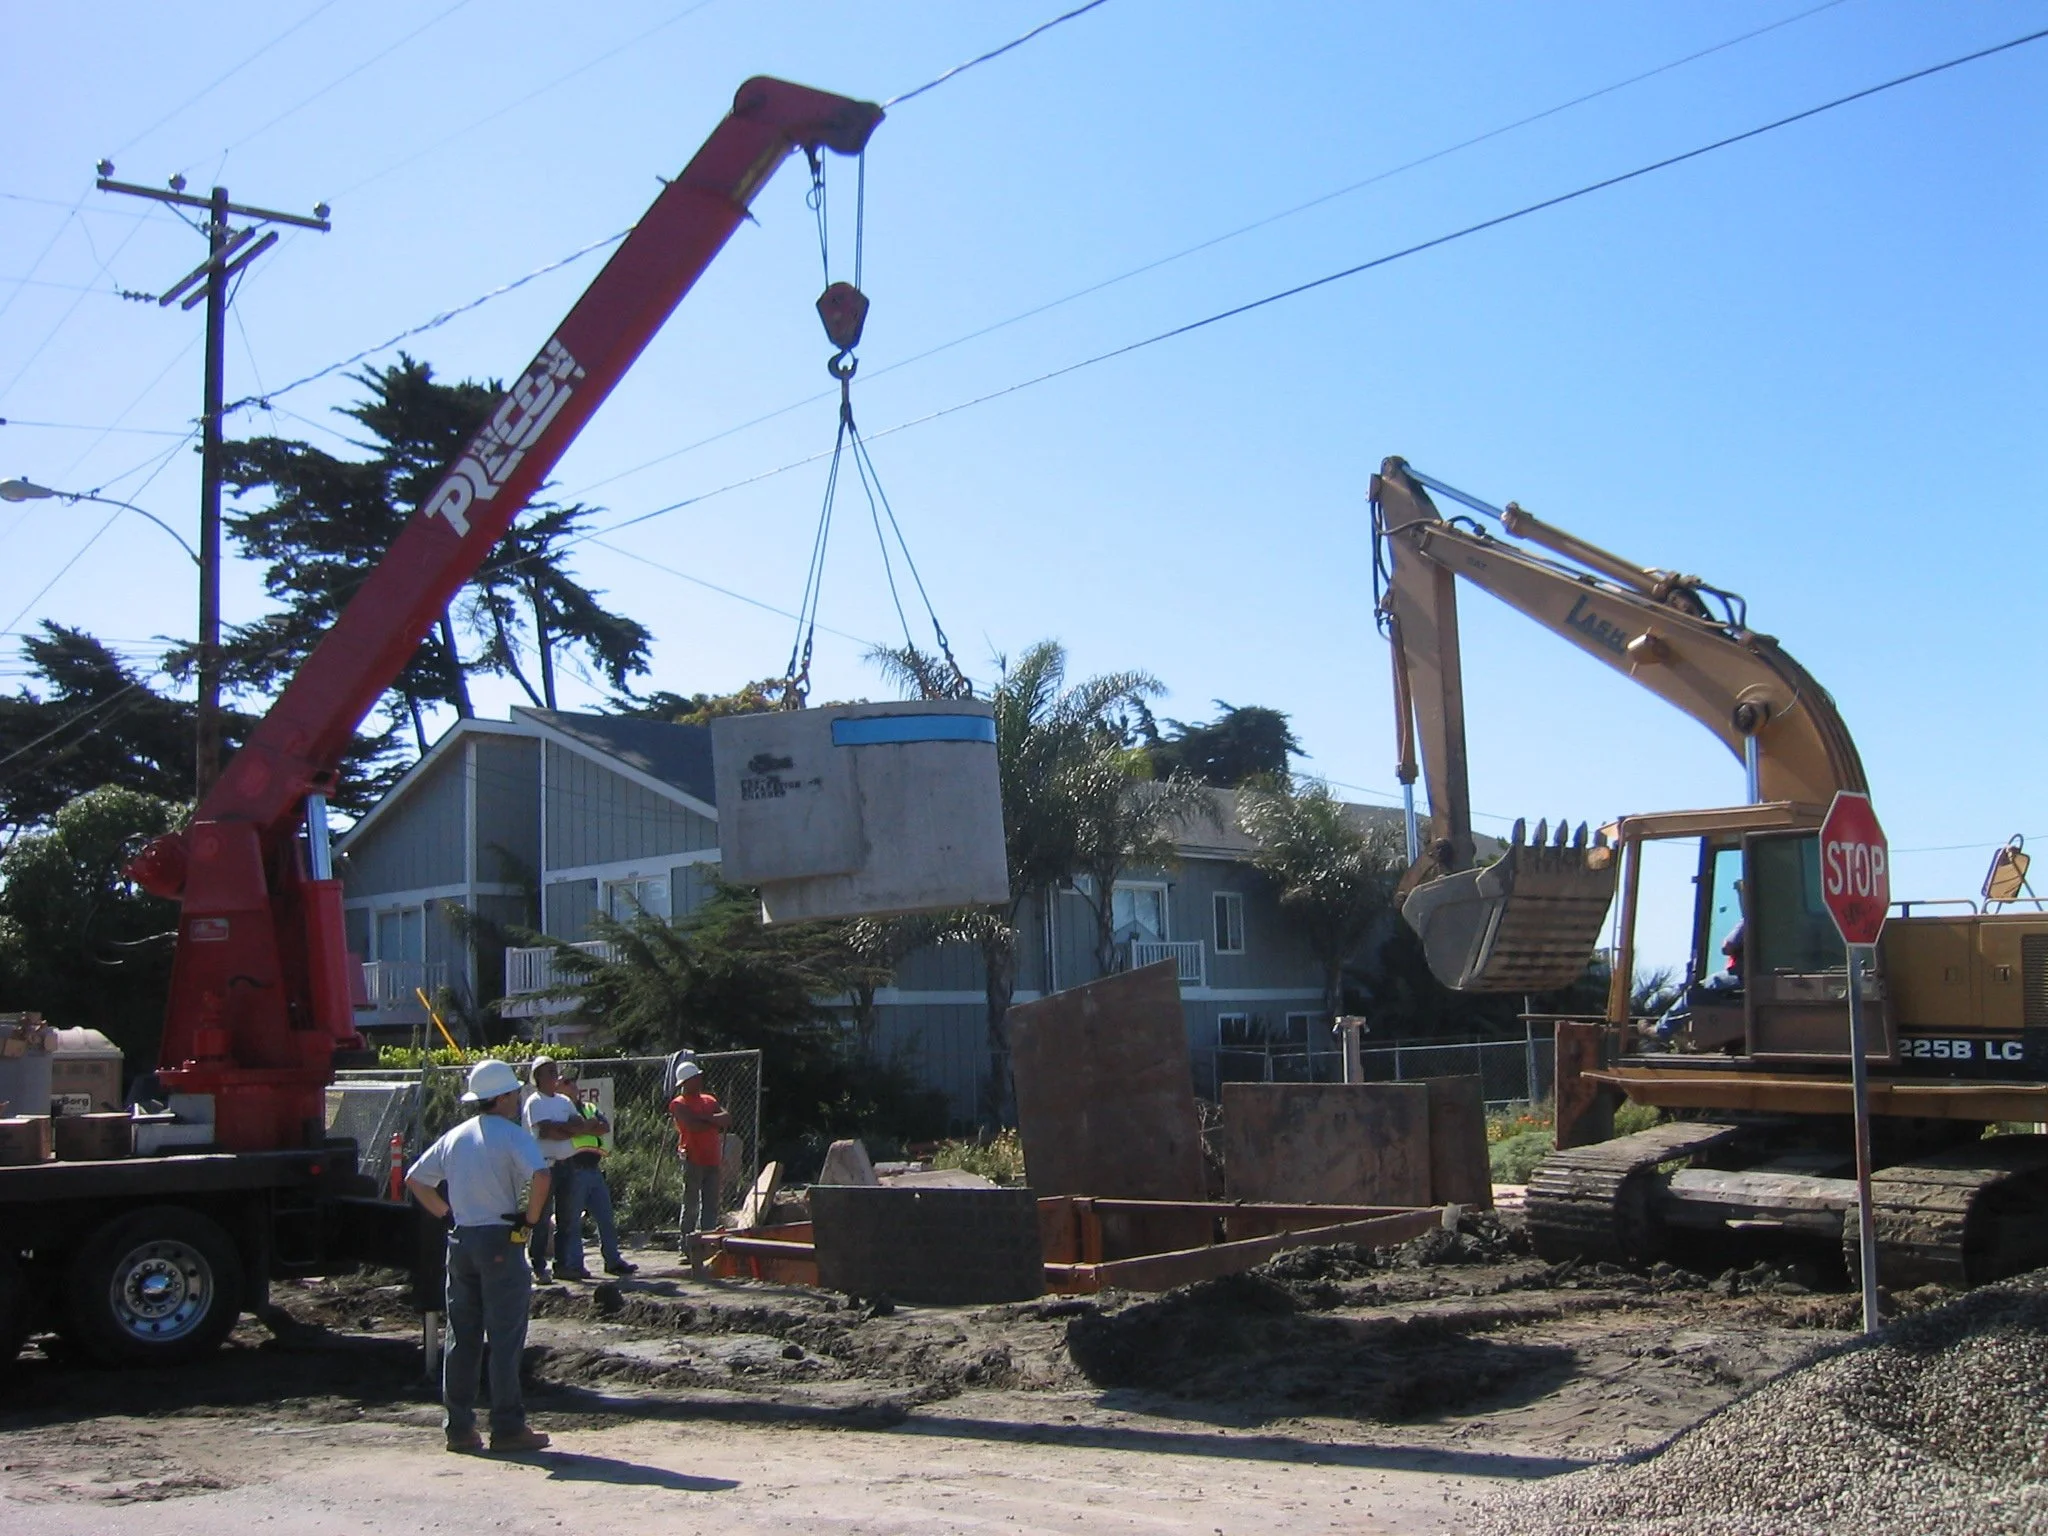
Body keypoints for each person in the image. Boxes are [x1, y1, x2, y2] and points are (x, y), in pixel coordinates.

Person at [404, 1058, 553, 1455]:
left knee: (462, 1336)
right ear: (502, 1096)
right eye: (514, 1093)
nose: (518, 1098)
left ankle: (459, 1427)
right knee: (505, 1338)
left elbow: (416, 1180)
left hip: (462, 1241)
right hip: (501, 1240)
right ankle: (507, 1427)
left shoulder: (456, 1136)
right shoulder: (510, 1134)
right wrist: (531, 1219)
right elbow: (541, 1175)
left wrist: (446, 1214)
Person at [556, 1072, 637, 1278]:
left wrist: (583, 1128)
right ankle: (575, 1264)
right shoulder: (559, 1110)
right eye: (566, 1082)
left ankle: (613, 1260)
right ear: (557, 1087)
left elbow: (604, 1127)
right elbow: (568, 1131)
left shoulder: (588, 1107)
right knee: (573, 1221)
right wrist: (588, 1126)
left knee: (606, 1218)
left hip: (594, 1169)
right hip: (574, 1169)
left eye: (573, 1081)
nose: (572, 1085)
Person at [521, 1058, 583, 1282]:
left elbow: (579, 1126)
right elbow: (546, 1131)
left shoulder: (565, 1101)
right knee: (541, 1217)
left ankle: (563, 1265)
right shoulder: (534, 1102)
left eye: (555, 1071)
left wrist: (564, 1129)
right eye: (549, 1072)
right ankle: (538, 1265)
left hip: (567, 1163)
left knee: (567, 1218)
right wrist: (566, 1129)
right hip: (544, 1166)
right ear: (537, 1077)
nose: (554, 1075)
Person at [668, 1059, 731, 1253]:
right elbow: (692, 1126)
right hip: (693, 1158)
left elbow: (727, 1119)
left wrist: (705, 1119)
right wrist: (713, 1120)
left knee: (711, 1205)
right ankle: (687, 1247)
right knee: (691, 1204)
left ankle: (707, 1245)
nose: (699, 1080)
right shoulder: (678, 1104)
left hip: (712, 1158)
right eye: (695, 1078)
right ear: (685, 1082)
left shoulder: (709, 1100)